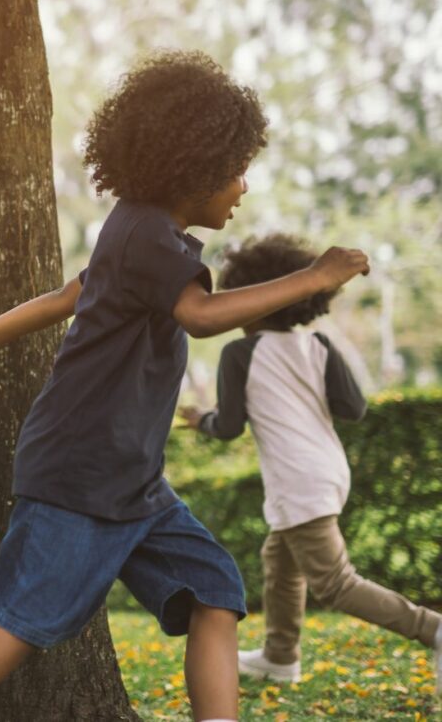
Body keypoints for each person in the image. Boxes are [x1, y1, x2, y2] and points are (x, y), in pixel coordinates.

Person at [0, 50, 370, 722]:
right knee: (20, 626)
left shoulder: (138, 226)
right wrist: (312, 276)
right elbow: (202, 315)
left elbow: (74, 291)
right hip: (81, 473)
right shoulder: (151, 238)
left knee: (215, 587)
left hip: (131, 482)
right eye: (235, 171)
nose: (242, 187)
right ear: (196, 170)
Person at [178, 233, 442, 690]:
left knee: (336, 583)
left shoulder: (240, 353)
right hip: (327, 470)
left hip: (298, 479)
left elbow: (229, 427)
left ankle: (432, 628)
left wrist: (202, 419)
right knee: (280, 560)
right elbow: (354, 409)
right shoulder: (318, 345)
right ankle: (280, 657)